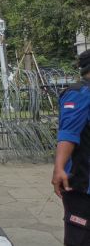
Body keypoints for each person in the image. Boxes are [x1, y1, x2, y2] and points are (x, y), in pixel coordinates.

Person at [52, 49, 90, 246]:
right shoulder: (79, 93)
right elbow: (69, 134)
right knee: (80, 238)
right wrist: (59, 168)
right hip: (82, 184)